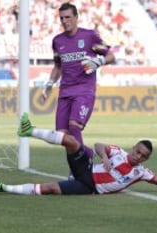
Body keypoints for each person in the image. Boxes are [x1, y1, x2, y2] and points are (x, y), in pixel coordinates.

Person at [0, 113, 157, 195]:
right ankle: (29, 131)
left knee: (50, 188)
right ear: (134, 148)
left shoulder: (141, 173)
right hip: (87, 169)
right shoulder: (118, 152)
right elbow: (99, 145)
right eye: (138, 151)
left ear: (147, 159)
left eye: (143, 156)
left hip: (88, 186)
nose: (138, 157)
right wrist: (106, 158)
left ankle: (4, 188)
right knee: (71, 141)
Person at [40, 2, 116, 161]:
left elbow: (111, 56)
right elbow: (58, 66)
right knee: (63, 136)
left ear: (76, 17)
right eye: (61, 18)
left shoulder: (89, 36)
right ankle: (86, 157)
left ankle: (83, 165)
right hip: (64, 91)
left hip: (84, 90)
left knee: (74, 126)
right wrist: (48, 85)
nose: (65, 21)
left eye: (68, 17)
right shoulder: (57, 41)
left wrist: (99, 62)